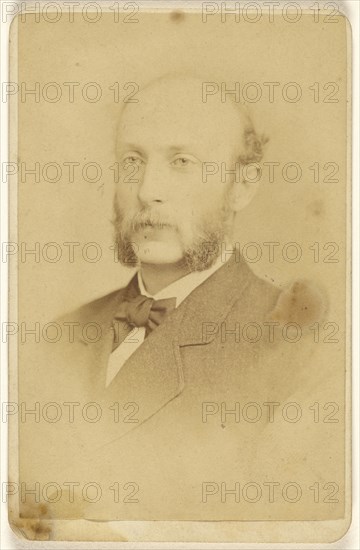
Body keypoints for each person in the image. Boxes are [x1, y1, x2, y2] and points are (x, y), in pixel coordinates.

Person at [19, 75, 338, 525]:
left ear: (243, 185)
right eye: (132, 161)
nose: (148, 190)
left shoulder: (296, 353)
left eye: (181, 161)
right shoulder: (57, 339)